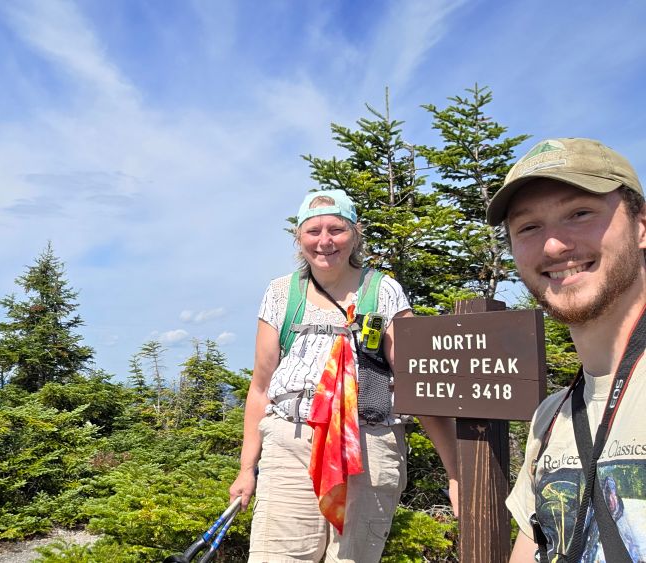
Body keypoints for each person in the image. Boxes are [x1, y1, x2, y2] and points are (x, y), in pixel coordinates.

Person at [229, 189, 460, 562]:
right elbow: (260, 389)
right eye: (313, 231)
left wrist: (455, 474)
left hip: (368, 446)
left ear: (355, 233)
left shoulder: (383, 292)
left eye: (335, 229)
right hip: (291, 441)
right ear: (298, 237)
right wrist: (246, 469)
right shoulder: (281, 294)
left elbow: (418, 384)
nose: (324, 241)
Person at [490, 138, 646, 563]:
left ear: (640, 224)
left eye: (579, 213)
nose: (554, 246)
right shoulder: (550, 418)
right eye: (528, 227)